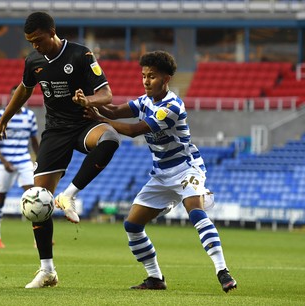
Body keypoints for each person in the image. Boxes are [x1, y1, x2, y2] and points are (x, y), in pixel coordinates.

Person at [84, 51, 237, 293]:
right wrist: (91, 102)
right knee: (132, 225)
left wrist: (97, 118)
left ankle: (223, 271)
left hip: (186, 168)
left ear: (166, 79)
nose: (145, 81)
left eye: (152, 76)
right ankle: (155, 278)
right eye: (144, 75)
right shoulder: (144, 101)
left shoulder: (172, 106)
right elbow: (113, 111)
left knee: (195, 212)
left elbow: (135, 130)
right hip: (161, 174)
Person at [0, 12, 120, 288]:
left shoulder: (81, 55)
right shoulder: (33, 61)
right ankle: (47, 270)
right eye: (30, 42)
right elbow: (24, 91)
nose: (35, 46)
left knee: (110, 138)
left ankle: (69, 195)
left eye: (38, 40)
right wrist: (4, 119)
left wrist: (88, 99)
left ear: (52, 32)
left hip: (83, 123)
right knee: (37, 198)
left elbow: (107, 94)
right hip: (55, 131)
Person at [0, 85, 40, 248]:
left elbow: (34, 141)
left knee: (33, 198)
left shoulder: (30, 116)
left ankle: (38, 238)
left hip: (23, 160)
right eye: (14, 96)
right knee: (0, 199)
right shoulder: (1, 115)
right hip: (5, 163)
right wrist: (4, 162)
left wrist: (41, 160)